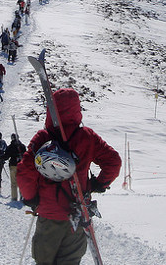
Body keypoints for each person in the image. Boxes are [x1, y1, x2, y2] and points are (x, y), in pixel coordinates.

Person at [17, 88, 121, 265]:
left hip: (49, 216)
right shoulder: (87, 137)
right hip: (78, 215)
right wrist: (98, 184)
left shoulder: (43, 137)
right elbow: (113, 162)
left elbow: (25, 172)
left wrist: (31, 198)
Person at [2, 133, 26, 201]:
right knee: (21, 181)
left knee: (14, 182)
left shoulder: (11, 147)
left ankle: (14, 197)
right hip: (21, 166)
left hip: (13, 165)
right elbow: (26, 155)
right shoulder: (22, 146)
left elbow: (6, 156)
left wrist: (0, 157)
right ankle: (22, 195)